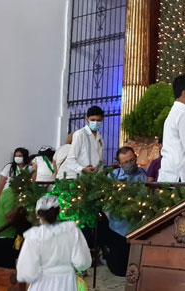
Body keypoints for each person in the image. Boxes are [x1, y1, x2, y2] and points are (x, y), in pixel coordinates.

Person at [16, 195, 91, 291]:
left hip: (42, 282)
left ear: (37, 214)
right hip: (66, 282)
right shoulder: (72, 231)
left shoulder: (34, 236)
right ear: (59, 211)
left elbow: (26, 272)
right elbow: (82, 262)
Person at [102, 147, 147, 276]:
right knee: (118, 269)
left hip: (137, 226)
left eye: (131, 160)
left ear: (136, 158)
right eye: (125, 162)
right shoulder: (113, 176)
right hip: (117, 227)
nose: (128, 164)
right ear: (119, 163)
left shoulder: (144, 175)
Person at [59, 106, 105, 180]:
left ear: (102, 119)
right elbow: (70, 159)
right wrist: (82, 169)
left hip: (92, 179)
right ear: (86, 119)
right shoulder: (80, 134)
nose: (95, 123)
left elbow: (100, 161)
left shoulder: (100, 139)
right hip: (74, 178)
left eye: (98, 120)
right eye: (92, 120)